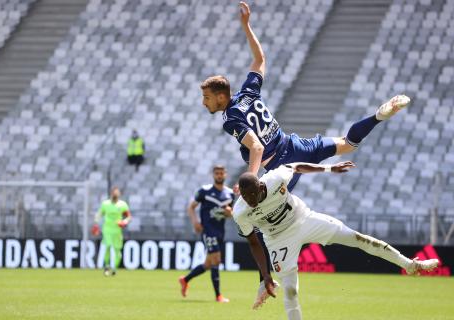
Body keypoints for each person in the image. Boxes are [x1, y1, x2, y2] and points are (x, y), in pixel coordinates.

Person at [200, 1, 410, 302]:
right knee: (346, 144)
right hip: (294, 142)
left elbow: (256, 146)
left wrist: (253, 177)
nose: (205, 102)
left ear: (221, 97)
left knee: (255, 217)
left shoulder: (229, 119)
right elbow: (260, 59)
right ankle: (377, 117)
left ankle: (265, 280)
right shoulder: (248, 91)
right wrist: (247, 26)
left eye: (207, 98)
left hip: (279, 160)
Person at [233, 162, 439, 318]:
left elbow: (296, 166)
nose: (250, 201)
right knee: (290, 289)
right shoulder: (240, 211)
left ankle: (410, 265)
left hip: (304, 219)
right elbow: (253, 242)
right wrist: (265, 276)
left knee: (357, 238)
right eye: (245, 196)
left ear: (260, 186)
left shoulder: (275, 178)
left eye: (252, 195)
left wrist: (330, 168)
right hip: (278, 239)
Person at [178, 165, 236, 303]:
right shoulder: (204, 191)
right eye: (217, 173)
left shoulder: (230, 194)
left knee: (208, 264)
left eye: (221, 173)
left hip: (220, 231)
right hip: (208, 230)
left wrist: (230, 213)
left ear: (225, 174)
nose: (219, 175)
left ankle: (185, 280)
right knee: (216, 260)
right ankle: (218, 296)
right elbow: (191, 207)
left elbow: (231, 214)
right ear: (213, 175)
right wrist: (195, 222)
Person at [91, 186, 131, 276]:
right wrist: (96, 223)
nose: (115, 194)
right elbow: (99, 214)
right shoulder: (105, 204)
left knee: (117, 250)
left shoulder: (122, 205)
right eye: (114, 192)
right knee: (108, 246)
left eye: (117, 192)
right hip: (107, 229)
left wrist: (124, 221)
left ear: (119, 194)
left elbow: (128, 216)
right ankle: (107, 266)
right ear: (111, 193)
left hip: (117, 230)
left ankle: (114, 269)